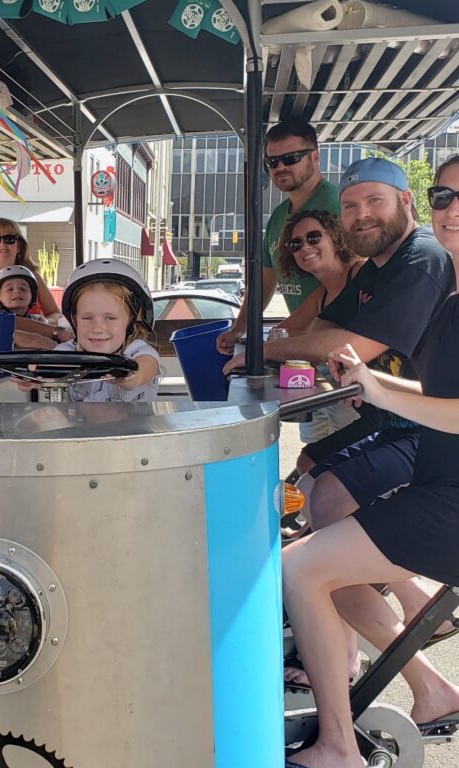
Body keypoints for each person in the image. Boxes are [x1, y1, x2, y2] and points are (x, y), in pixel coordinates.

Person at [282, 157, 459, 689]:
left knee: (315, 530)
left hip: (428, 458)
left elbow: (353, 346)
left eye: (374, 201)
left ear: (405, 202)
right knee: (313, 495)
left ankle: (358, 660)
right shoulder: (392, 274)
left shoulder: (423, 260)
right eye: (445, 197)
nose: (361, 214)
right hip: (422, 450)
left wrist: (373, 385)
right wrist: (372, 383)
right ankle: (392, 648)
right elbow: (321, 338)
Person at [283, 334, 459, 768]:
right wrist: (372, 382)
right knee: (325, 571)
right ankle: (433, 690)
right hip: (437, 488)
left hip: (449, 502)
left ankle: (338, 750)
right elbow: (438, 393)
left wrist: (383, 395)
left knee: (298, 568)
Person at [216, 118, 339, 355]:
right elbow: (264, 281)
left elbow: (343, 282)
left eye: (291, 158)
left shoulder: (337, 206)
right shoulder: (278, 216)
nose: (280, 166)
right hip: (302, 350)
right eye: (272, 161)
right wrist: (239, 329)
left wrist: (284, 332)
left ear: (315, 157)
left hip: (337, 346)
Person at [274, 210, 365, 452]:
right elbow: (284, 331)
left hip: (359, 396)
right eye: (296, 244)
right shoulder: (322, 293)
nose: (305, 247)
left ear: (335, 237)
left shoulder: (361, 274)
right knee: (310, 455)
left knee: (338, 459)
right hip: (326, 392)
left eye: (313, 237)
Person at [47, 259, 160, 402]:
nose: (97, 328)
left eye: (110, 318)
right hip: (77, 418)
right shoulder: (68, 353)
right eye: (87, 318)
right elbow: (53, 369)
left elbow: (143, 370)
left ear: (132, 320)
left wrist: (128, 376)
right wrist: (37, 376)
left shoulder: (139, 352)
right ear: (74, 320)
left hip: (134, 418)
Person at [0, 218, 62, 321]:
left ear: (19, 246)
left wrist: (43, 323)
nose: (2, 244)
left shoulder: (33, 277)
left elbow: (56, 314)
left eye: (9, 239)